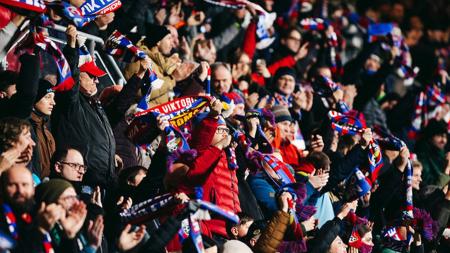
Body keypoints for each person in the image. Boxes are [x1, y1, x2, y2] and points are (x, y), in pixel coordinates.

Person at [52, 25, 118, 189]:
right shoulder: (71, 101)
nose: (97, 81)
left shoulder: (94, 103)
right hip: (81, 183)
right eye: (91, 76)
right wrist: (71, 46)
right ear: (78, 77)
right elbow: (70, 78)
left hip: (102, 182)